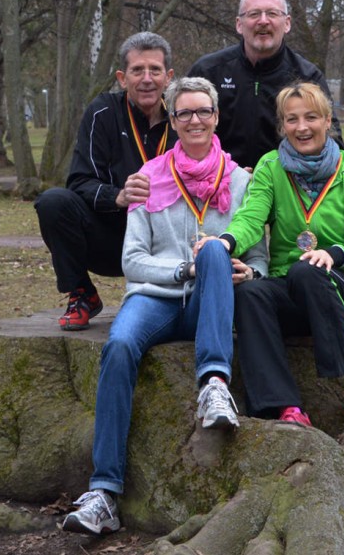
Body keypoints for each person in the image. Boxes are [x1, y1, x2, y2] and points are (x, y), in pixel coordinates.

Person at [61, 77, 268, 535]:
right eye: (184, 113)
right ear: (172, 122)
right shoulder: (147, 179)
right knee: (118, 348)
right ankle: (104, 492)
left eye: (203, 111)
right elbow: (131, 261)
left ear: (216, 117)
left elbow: (258, 259)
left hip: (209, 306)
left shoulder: (243, 180)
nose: (194, 120)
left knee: (216, 249)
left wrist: (247, 273)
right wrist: (182, 270)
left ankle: (214, 383)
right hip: (155, 299)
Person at [199, 81, 344, 429]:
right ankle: (285, 406)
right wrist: (225, 242)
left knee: (308, 269)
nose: (302, 128)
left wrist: (334, 254)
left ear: (328, 120)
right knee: (250, 292)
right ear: (282, 125)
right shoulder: (271, 167)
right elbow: (251, 218)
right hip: (292, 292)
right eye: (291, 120)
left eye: (311, 117)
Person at [34, 32, 176, 331]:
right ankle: (82, 293)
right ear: (123, 78)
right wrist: (118, 196)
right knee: (53, 202)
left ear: (169, 77)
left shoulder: (184, 116)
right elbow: (79, 181)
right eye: (138, 70)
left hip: (170, 240)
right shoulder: (102, 112)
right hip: (113, 238)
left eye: (155, 70)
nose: (147, 79)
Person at [188, 0, 343, 169]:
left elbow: (333, 143)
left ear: (287, 23)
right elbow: (180, 134)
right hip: (217, 187)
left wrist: (275, 179)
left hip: (286, 188)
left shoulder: (307, 76)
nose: (263, 21)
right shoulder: (208, 72)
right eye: (254, 14)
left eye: (272, 13)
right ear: (239, 24)